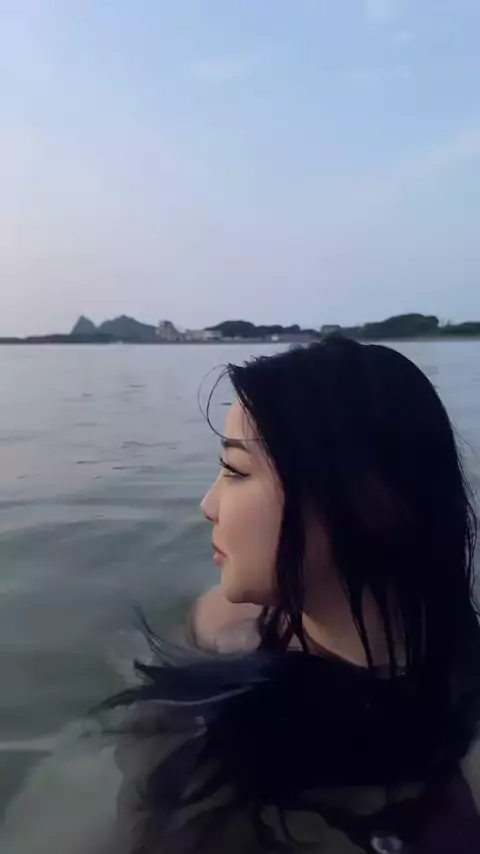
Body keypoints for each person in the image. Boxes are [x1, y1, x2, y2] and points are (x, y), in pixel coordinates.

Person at [2, 337, 480, 854]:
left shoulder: (463, 745)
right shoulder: (221, 620)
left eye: (235, 471)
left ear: (368, 499)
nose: (208, 504)